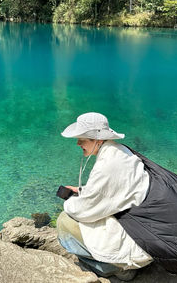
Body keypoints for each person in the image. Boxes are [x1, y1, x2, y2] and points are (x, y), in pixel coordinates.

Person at [56, 112, 154, 281]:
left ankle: (116, 268)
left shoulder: (106, 166)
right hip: (145, 233)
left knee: (64, 222)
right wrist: (83, 191)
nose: (78, 143)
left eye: (82, 139)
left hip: (136, 247)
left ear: (98, 140)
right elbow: (113, 189)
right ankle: (117, 263)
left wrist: (70, 200)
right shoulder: (120, 151)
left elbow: (84, 211)